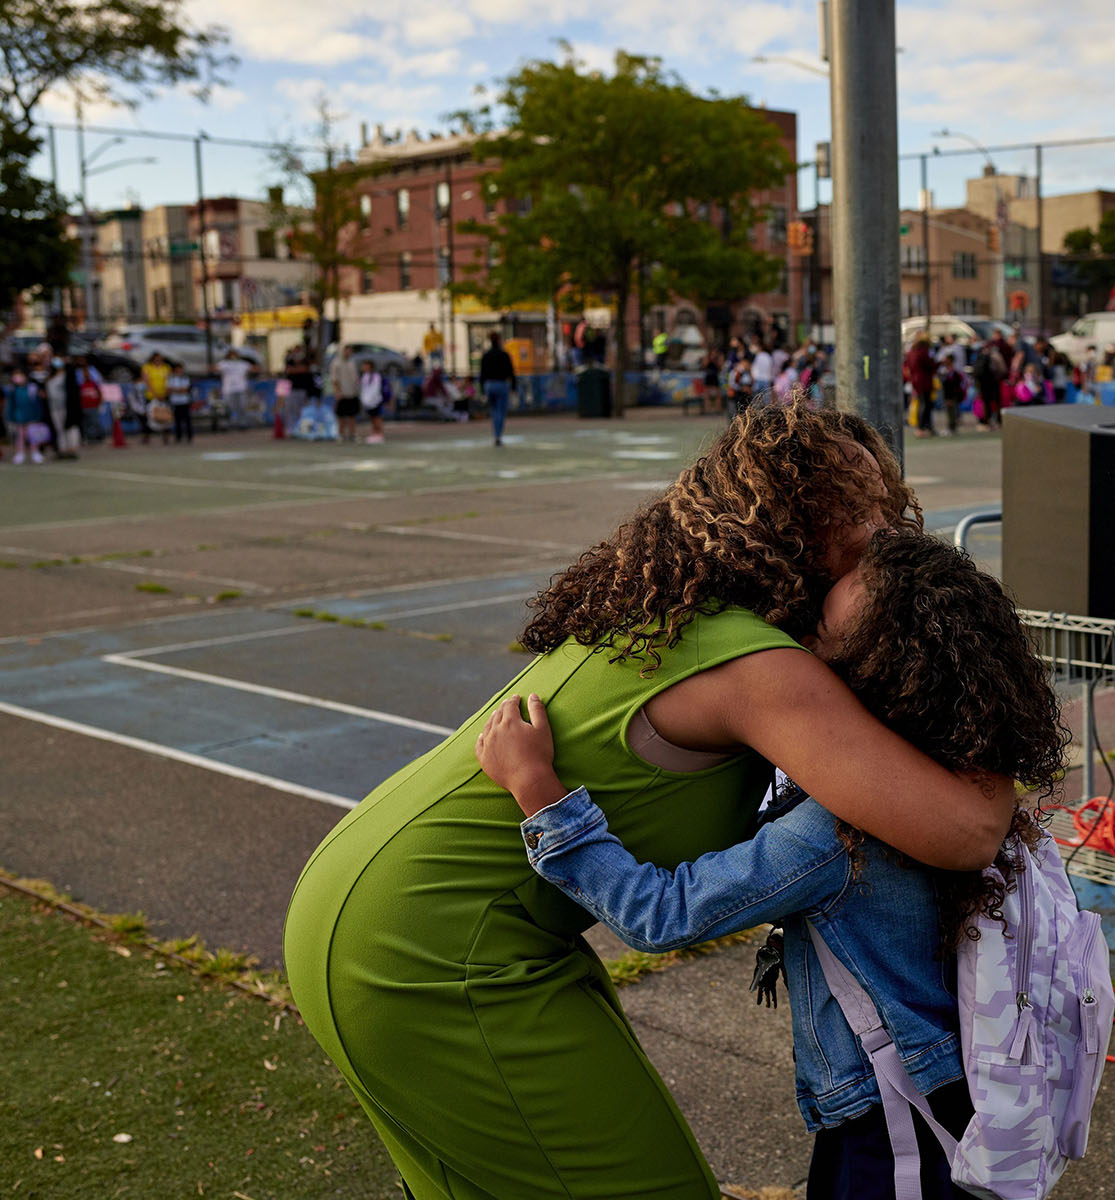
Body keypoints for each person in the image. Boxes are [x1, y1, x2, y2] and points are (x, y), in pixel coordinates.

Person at [284, 407, 1015, 1200]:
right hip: (426, 950)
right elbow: (967, 829)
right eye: (858, 508)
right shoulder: (765, 667)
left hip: (388, 911)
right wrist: (998, 716)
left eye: (884, 504)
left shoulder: (677, 614)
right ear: (784, 524)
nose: (883, 529)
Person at [475, 529, 1065, 1200]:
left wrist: (540, 794)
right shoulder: (956, 769)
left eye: (823, 635)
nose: (801, 648)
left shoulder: (836, 832)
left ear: (883, 675)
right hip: (943, 1083)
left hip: (893, 1113)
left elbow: (660, 914)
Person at [478, 332, 516, 446]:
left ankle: (496, 434)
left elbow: (482, 374)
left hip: (489, 385)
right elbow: (511, 372)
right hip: (501, 385)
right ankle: (498, 435)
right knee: (501, 411)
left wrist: (482, 390)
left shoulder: (486, 355)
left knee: (494, 411)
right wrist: (514, 387)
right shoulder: (504, 355)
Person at [7, 362, 46, 464]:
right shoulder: (13, 389)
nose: (17, 377)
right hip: (19, 417)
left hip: (32, 416)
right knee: (20, 436)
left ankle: (35, 452)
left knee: (33, 436)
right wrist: (10, 417)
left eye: (20, 375)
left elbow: (37, 403)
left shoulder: (32, 387)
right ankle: (20, 453)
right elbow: (11, 405)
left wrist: (38, 416)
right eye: (15, 375)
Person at [903, 333, 936, 436]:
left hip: (916, 380)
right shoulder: (923, 352)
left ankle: (924, 427)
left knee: (922, 403)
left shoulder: (912, 352)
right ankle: (922, 427)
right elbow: (930, 365)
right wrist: (938, 363)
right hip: (924, 380)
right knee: (925, 404)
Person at [329, 347, 362, 444]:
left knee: (352, 415)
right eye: (346, 351)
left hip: (352, 392)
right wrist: (337, 391)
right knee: (341, 415)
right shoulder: (336, 363)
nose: (348, 353)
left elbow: (355, 378)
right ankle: (340, 434)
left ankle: (352, 434)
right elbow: (334, 379)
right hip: (342, 393)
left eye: (350, 351)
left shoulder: (352, 362)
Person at [141, 352, 172, 446]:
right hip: (151, 396)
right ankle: (147, 436)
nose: (158, 360)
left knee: (165, 416)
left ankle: (165, 436)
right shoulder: (147, 367)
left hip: (164, 396)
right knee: (149, 416)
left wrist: (165, 394)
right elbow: (147, 382)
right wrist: (155, 395)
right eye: (156, 358)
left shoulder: (166, 368)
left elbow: (169, 381)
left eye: (160, 358)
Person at [218, 349, 253, 430]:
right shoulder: (224, 363)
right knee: (227, 406)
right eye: (232, 354)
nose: (233, 356)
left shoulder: (242, 363)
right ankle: (225, 424)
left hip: (241, 388)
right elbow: (214, 368)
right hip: (228, 389)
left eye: (235, 354)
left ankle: (243, 423)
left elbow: (254, 368)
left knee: (242, 406)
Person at [357, 359, 391, 445]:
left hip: (376, 401)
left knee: (377, 418)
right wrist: (364, 400)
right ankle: (374, 433)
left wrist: (375, 399)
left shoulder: (376, 376)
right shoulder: (364, 376)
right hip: (368, 402)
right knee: (372, 418)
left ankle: (379, 434)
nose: (363, 367)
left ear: (370, 366)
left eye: (365, 365)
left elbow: (376, 389)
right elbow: (364, 390)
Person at [935, 351, 965, 436]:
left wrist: (951, 396)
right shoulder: (945, 370)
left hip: (951, 395)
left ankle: (952, 427)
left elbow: (954, 384)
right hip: (946, 394)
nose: (944, 361)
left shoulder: (954, 371)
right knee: (949, 411)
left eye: (946, 359)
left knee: (952, 411)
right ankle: (951, 427)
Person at [164, 361, 194, 445]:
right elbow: (169, 390)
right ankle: (178, 437)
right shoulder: (171, 378)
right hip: (175, 402)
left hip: (184, 401)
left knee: (187, 420)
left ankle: (189, 437)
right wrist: (179, 390)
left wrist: (175, 390)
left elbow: (186, 390)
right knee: (177, 421)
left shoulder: (185, 378)